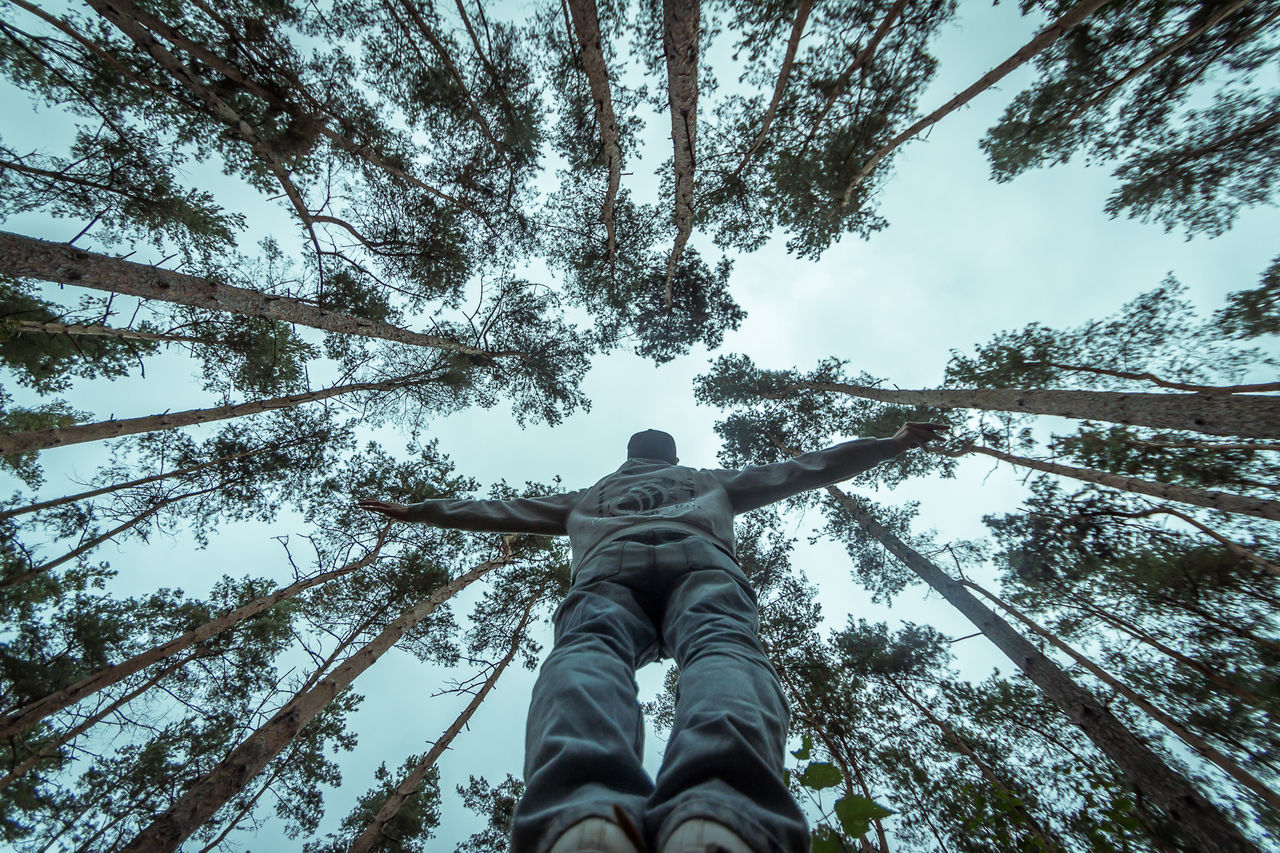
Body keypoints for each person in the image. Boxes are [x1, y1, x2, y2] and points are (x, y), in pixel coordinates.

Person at [358, 422, 946, 853]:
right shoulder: (706, 480)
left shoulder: (586, 497)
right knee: (722, 648)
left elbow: (499, 508)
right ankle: (722, 817)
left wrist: (418, 511)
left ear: (626, 461)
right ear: (672, 456)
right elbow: (801, 470)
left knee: (589, 650)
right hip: (703, 562)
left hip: (606, 568)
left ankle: (583, 816)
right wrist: (887, 445)